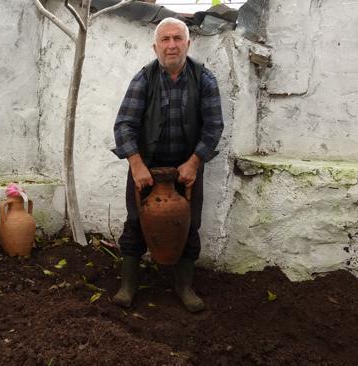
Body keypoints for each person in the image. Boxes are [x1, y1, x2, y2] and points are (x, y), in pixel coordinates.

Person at [111, 17, 224, 312]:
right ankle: (128, 286)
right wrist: (135, 164)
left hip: (187, 168)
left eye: (177, 38)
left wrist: (195, 162)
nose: (171, 45)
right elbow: (124, 125)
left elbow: (213, 127)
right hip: (146, 167)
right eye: (165, 39)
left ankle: (184, 286)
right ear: (155, 46)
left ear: (188, 43)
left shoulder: (204, 79)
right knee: (135, 224)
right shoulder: (143, 79)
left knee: (190, 226)